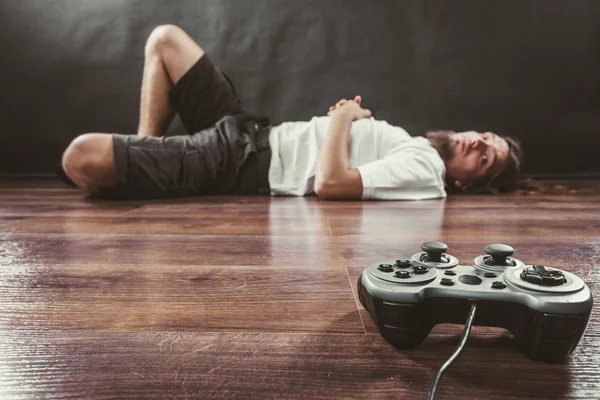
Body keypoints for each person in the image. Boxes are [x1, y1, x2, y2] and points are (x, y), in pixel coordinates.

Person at [61, 25, 522, 201]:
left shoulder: (426, 169)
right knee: (164, 40)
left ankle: (140, 164)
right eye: (484, 136)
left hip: (241, 160)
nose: (477, 142)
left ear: (465, 181)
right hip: (250, 130)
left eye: (485, 158)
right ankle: (148, 156)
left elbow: (331, 184)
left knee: (79, 157)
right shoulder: (418, 149)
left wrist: (343, 118)